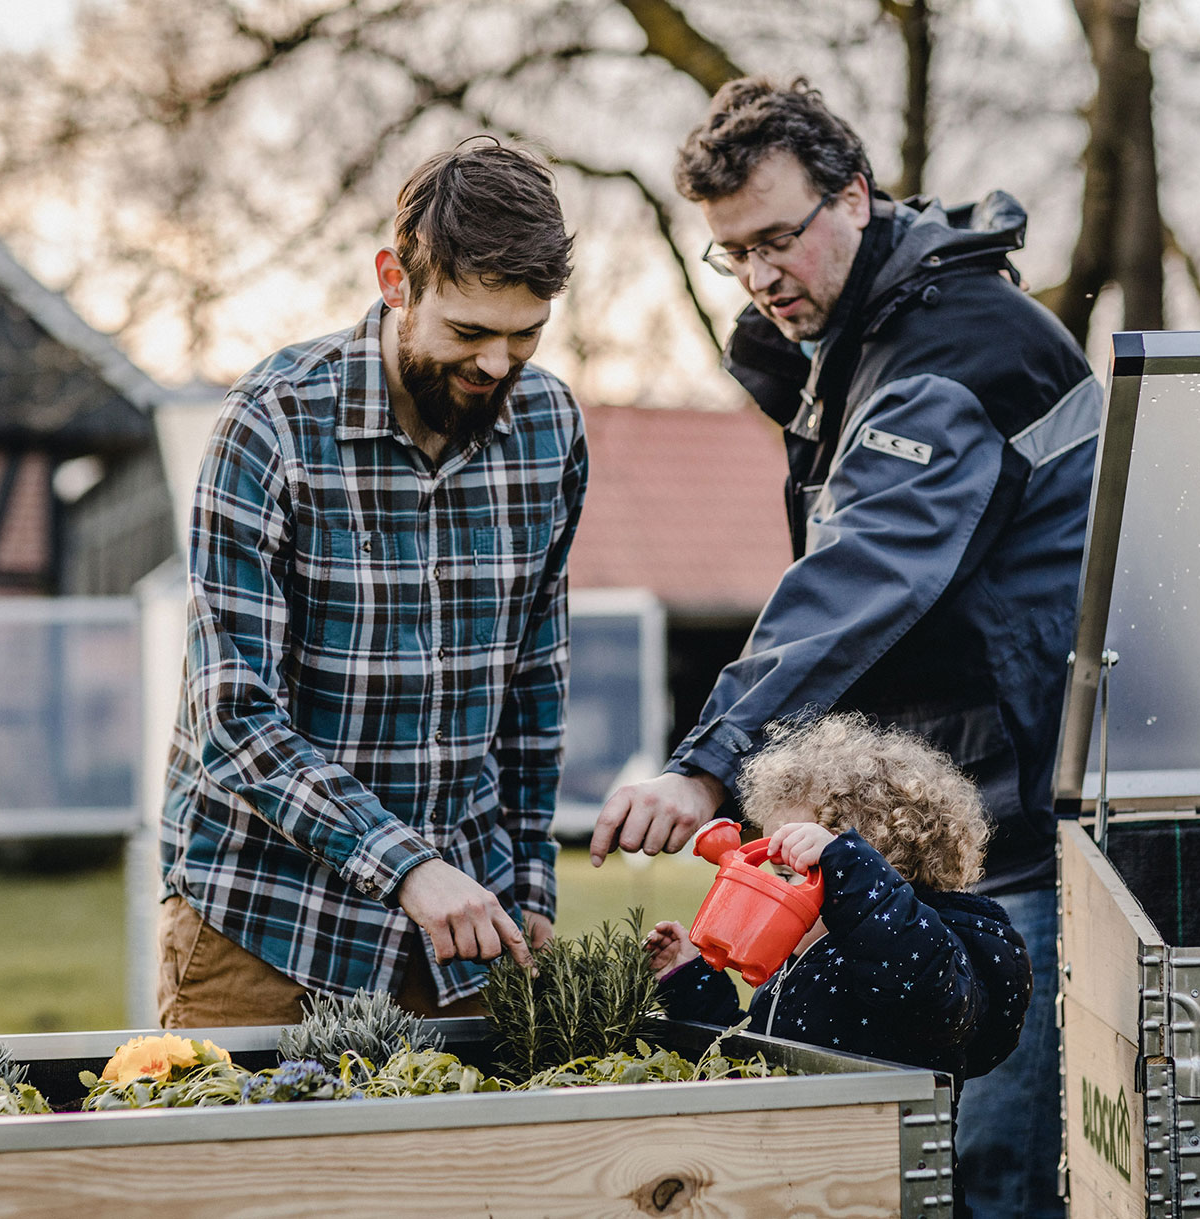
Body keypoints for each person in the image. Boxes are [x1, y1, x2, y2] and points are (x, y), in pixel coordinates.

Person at [592, 79, 1097, 1219]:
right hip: (944, 825)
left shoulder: (951, 352)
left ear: (855, 198)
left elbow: (861, 579)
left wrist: (710, 753)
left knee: (986, 1175)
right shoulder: (858, 340)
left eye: (778, 237)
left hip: (1018, 832)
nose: (762, 277)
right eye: (733, 254)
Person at [158, 140, 586, 1030]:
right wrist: (405, 865)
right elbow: (231, 717)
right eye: (469, 332)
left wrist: (533, 878)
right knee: (246, 1172)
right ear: (396, 280)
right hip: (265, 923)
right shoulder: (270, 425)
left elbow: (535, 681)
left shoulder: (550, 428)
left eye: (526, 334)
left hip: (465, 930)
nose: (500, 365)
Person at [645, 713, 1030, 1086]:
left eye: (799, 872)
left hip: (874, 1146)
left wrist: (845, 865)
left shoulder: (916, 957)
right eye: (779, 875)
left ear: (878, 874)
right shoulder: (798, 965)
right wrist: (691, 983)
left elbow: (930, 998)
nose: (780, 892)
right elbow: (749, 1065)